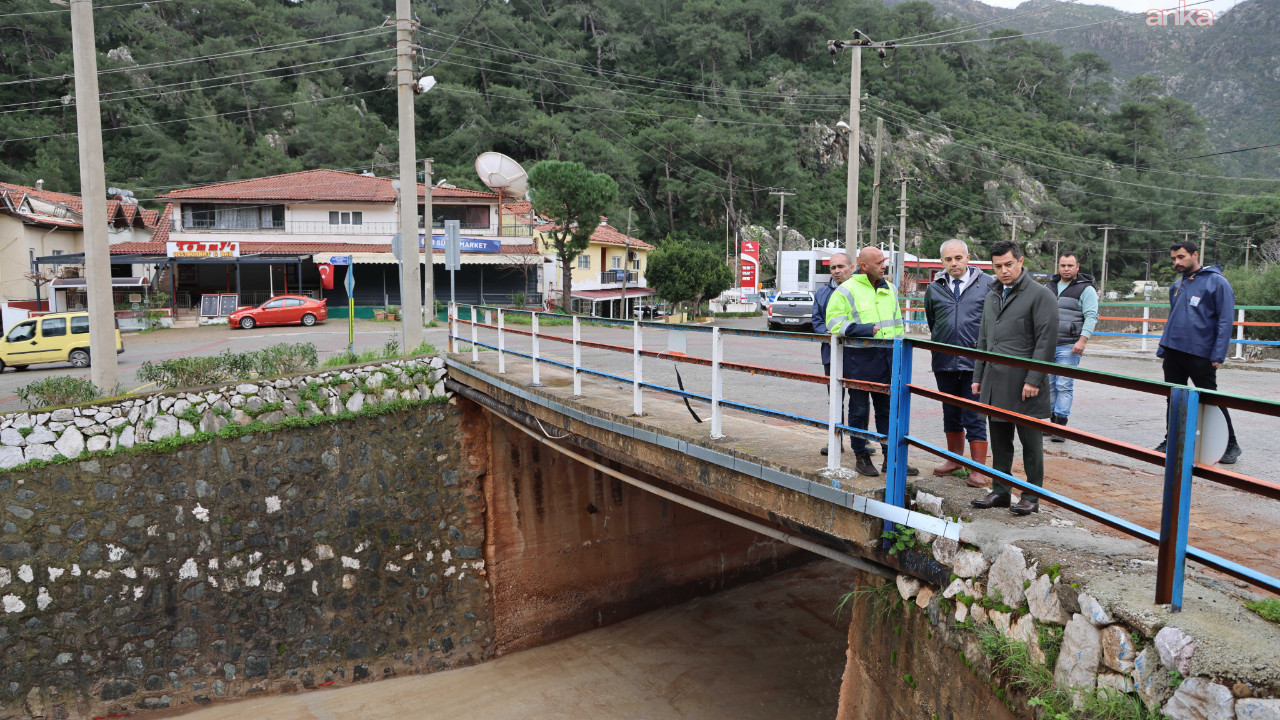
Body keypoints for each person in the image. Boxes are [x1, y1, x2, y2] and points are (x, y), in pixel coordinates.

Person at [971, 241, 1058, 516]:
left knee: (1031, 444)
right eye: (998, 266)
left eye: (1008, 264)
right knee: (999, 442)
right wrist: (978, 375)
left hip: (1025, 384)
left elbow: (1046, 342)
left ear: (1021, 261)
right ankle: (1000, 491)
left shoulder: (1040, 295)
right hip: (995, 381)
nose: (1004, 271)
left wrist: (1034, 379)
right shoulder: (992, 294)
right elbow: (984, 338)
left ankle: (1031, 496)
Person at [825, 246, 919, 478]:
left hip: (887, 359)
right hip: (859, 360)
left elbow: (897, 326)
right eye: (878, 262)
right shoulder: (845, 290)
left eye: (883, 261)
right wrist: (864, 330)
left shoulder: (891, 289)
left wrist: (898, 353)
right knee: (859, 410)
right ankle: (862, 457)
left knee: (887, 411)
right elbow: (833, 323)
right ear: (863, 265)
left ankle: (891, 459)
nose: (883, 265)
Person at [1154, 241, 1240, 463]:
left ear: (1195, 254)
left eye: (1181, 257)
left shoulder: (1217, 283)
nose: (1177, 262)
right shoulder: (1177, 284)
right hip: (1173, 351)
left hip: (1201, 353)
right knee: (1174, 398)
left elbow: (1225, 320)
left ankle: (1230, 445)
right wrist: (1163, 346)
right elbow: (1173, 317)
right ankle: (1172, 440)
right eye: (1173, 259)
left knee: (1210, 398)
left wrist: (1218, 353)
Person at [924, 240, 994, 487]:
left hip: (975, 363)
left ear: (968, 257)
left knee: (974, 415)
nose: (953, 263)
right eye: (948, 259)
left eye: (958, 258)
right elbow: (933, 321)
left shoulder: (988, 285)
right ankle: (954, 460)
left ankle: (977, 469)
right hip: (944, 361)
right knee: (950, 413)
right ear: (941, 262)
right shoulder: (934, 288)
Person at [1047, 252, 1098, 442]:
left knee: (1064, 384)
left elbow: (1092, 315)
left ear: (1077, 267)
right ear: (1058, 267)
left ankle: (1060, 426)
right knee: (1050, 385)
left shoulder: (1086, 289)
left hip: (1069, 345)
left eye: (1070, 265)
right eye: (1063, 265)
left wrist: (1082, 340)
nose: (1066, 269)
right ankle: (1051, 422)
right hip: (1049, 344)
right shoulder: (1050, 286)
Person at [813, 253, 856, 456]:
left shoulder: (861, 291)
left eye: (841, 266)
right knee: (835, 399)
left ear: (851, 267)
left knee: (859, 401)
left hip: (858, 355)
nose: (837, 271)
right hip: (831, 354)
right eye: (833, 268)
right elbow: (817, 321)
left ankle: (861, 441)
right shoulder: (821, 293)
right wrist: (827, 332)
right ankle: (835, 441)